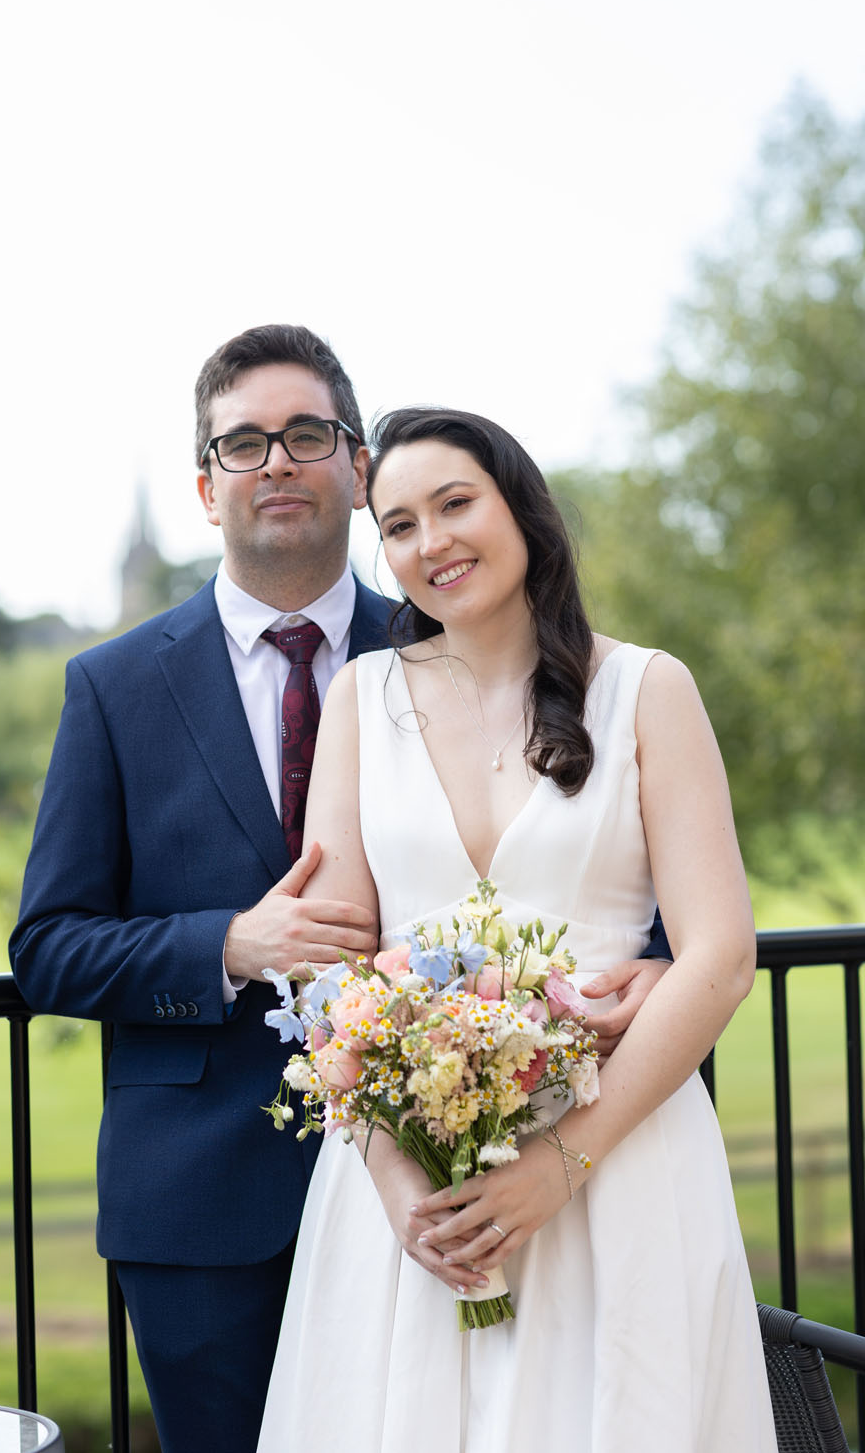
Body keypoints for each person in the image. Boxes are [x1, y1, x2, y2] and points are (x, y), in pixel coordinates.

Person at [9, 329, 667, 1453]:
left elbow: (568, 855)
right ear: (205, 484)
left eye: (307, 435)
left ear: (358, 470)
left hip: (466, 1179)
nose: (278, 462)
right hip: (201, 1209)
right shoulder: (112, 687)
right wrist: (233, 944)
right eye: (245, 442)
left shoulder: (459, 634)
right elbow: (50, 947)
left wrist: (649, 963)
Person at [257, 407, 777, 1452]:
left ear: (522, 510)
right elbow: (332, 968)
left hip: (619, 1164)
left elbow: (718, 959)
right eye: (397, 524)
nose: (430, 542)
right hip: (407, 1190)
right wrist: (403, 1187)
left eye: (456, 504)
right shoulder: (365, 698)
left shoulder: (645, 689)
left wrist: (560, 1166)